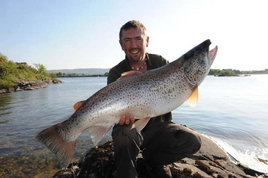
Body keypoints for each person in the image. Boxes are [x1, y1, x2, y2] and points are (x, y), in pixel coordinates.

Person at [75, 20, 201, 178]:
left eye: (138, 39)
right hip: (130, 128)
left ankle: (153, 162)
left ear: (147, 41)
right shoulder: (116, 72)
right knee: (123, 133)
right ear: (121, 44)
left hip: (160, 128)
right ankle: (127, 171)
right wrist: (120, 116)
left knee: (192, 140)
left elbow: (176, 94)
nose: (134, 45)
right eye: (128, 40)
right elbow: (111, 112)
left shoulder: (160, 62)